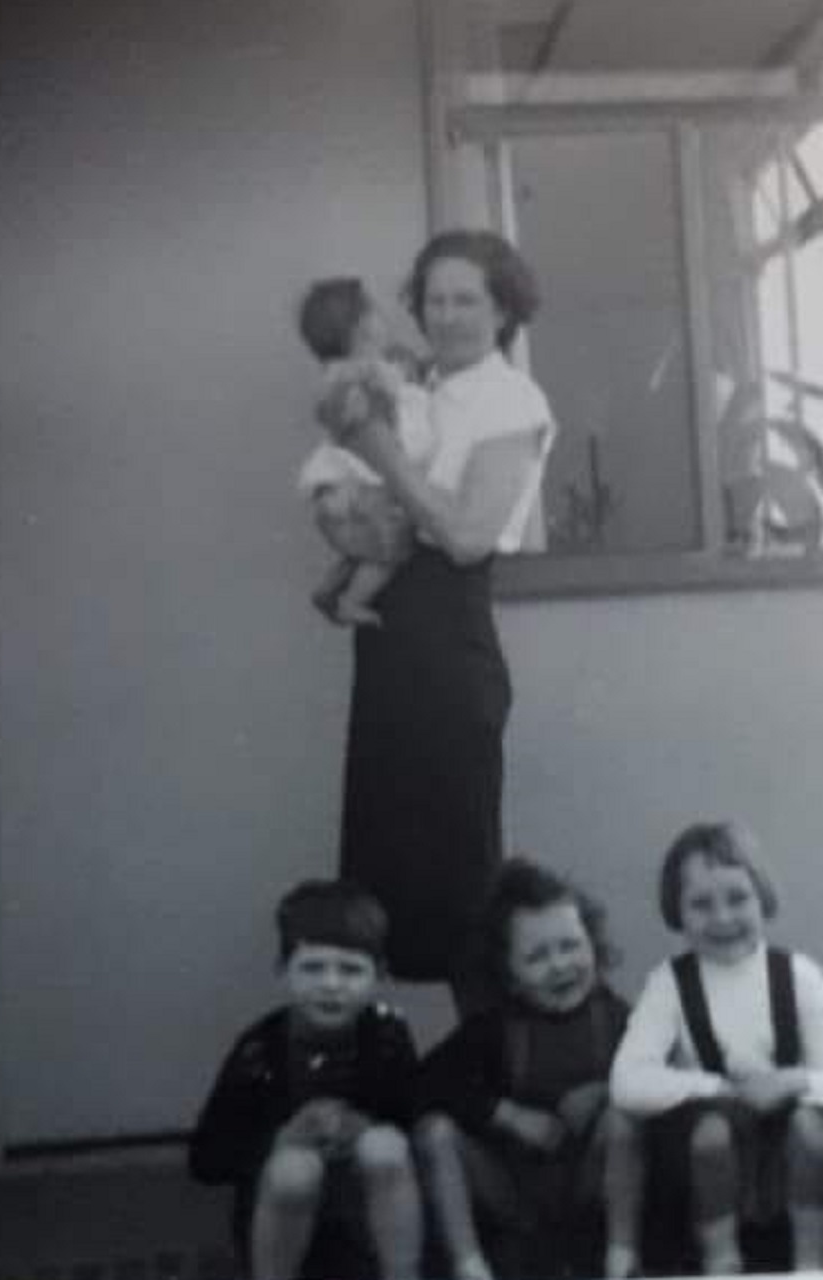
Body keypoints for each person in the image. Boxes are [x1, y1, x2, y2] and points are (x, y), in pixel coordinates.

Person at [322, 229, 556, 1013]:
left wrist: (376, 451)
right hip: (393, 647)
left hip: (450, 650)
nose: (448, 315)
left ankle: (498, 1087)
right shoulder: (422, 384)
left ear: (502, 310)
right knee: (393, 884)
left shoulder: (510, 400)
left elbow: (464, 537)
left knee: (463, 887)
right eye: (434, 300)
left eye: (467, 300)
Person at [609, 821, 823, 1275]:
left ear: (762, 898)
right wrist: (718, 1087)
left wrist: (792, 1081)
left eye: (737, 898)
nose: (723, 918)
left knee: (813, 1128)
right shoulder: (669, 984)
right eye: (701, 904)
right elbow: (627, 1082)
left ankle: (810, 1262)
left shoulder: (799, 975)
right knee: (709, 1134)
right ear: (677, 911)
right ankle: (721, 1260)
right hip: (714, 1154)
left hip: (791, 1151)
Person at [414, 859, 645, 1279]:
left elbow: (658, 1075)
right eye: (537, 956)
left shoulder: (616, 1017)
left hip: (589, 1185)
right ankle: (469, 1266)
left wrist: (605, 1091)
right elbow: (425, 1084)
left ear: (594, 946)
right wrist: (508, 1115)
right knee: (436, 1133)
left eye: (570, 946)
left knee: (623, 1119)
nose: (559, 965)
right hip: (512, 1189)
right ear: (510, 976)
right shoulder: (494, 1028)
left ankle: (622, 1259)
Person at [187, 881, 424, 1280]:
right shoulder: (258, 1049)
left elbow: (413, 1118)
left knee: (386, 1147)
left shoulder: (387, 1036)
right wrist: (280, 1139)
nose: (331, 984)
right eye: (312, 967)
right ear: (284, 972)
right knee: (295, 1168)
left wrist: (364, 1127)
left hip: (361, 1213)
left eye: (350, 970)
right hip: (279, 1215)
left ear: (379, 976)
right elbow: (206, 1160)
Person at [293, 277, 435, 627]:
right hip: (358, 488)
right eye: (375, 311)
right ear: (361, 327)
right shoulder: (366, 376)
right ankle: (351, 602)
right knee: (389, 550)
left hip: (338, 488)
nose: (383, 319)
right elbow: (393, 414)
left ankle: (330, 587)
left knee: (364, 549)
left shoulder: (338, 375)